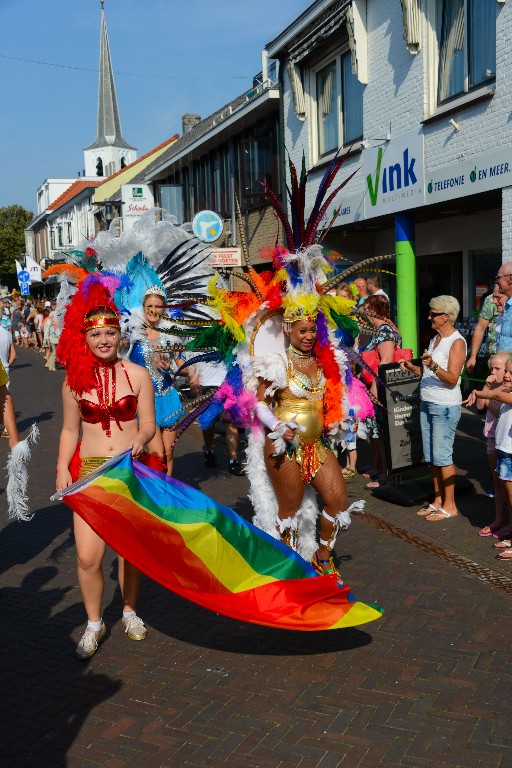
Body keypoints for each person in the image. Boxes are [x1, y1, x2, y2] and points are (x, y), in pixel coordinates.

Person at [55, 281, 157, 659]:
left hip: (130, 472)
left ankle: (129, 611)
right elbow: (69, 430)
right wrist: (62, 468)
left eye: (110, 333)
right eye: (96, 334)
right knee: (87, 556)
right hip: (91, 475)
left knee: (130, 553)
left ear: (120, 335)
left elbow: (149, 424)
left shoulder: (138, 376)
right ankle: (95, 622)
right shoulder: (72, 383)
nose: (103, 340)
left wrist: (143, 439)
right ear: (85, 338)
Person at [253, 314, 357, 582]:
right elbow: (259, 403)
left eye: (312, 330)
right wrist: (277, 426)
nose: (309, 336)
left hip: (316, 445)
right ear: (288, 331)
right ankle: (291, 567)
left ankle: (322, 558)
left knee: (338, 501)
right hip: (284, 446)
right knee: (289, 510)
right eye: (302, 331)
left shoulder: (322, 361)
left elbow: (333, 398)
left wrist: (341, 418)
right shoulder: (278, 363)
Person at [400, 295, 466, 521]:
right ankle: (438, 500)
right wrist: (413, 368)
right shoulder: (436, 340)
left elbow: (452, 379)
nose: (429, 316)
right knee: (431, 457)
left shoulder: (457, 342)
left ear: (446, 316)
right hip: (428, 402)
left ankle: (450, 505)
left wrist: (433, 365)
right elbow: (429, 374)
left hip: (445, 406)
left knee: (443, 457)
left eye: (433, 313)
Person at [128, 286, 184, 475]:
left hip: (168, 398)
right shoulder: (131, 335)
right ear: (143, 307)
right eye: (149, 305)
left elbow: (183, 365)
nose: (153, 310)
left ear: (164, 308)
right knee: (157, 454)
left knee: (168, 453)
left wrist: (177, 369)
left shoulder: (171, 335)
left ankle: (166, 497)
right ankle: (154, 494)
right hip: (144, 402)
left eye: (158, 306)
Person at [358, 295, 402, 487]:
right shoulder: (386, 327)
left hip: (381, 387)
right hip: (380, 386)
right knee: (378, 431)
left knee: (382, 433)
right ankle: (381, 469)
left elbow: (385, 360)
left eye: (365, 309)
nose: (363, 313)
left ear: (373, 311)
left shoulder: (384, 331)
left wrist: (375, 388)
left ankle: (385, 475)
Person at [464, 351, 510, 537]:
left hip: (507, 442)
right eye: (493, 368)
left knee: (508, 482)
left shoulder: (506, 390)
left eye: (498, 369)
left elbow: (498, 409)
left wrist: (488, 394)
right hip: (493, 438)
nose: (495, 372)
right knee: (498, 481)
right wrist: (486, 387)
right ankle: (499, 518)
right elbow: (481, 407)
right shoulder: (494, 388)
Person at [189, 359, 245, 475]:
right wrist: (193, 382)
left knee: (231, 421)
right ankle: (209, 452)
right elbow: (193, 359)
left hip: (229, 382)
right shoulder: (199, 341)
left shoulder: (232, 340)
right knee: (208, 422)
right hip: (206, 384)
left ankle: (233, 460)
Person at [466, 287, 501, 371]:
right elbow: (480, 328)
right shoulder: (490, 300)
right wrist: (473, 356)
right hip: (495, 353)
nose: (495, 301)